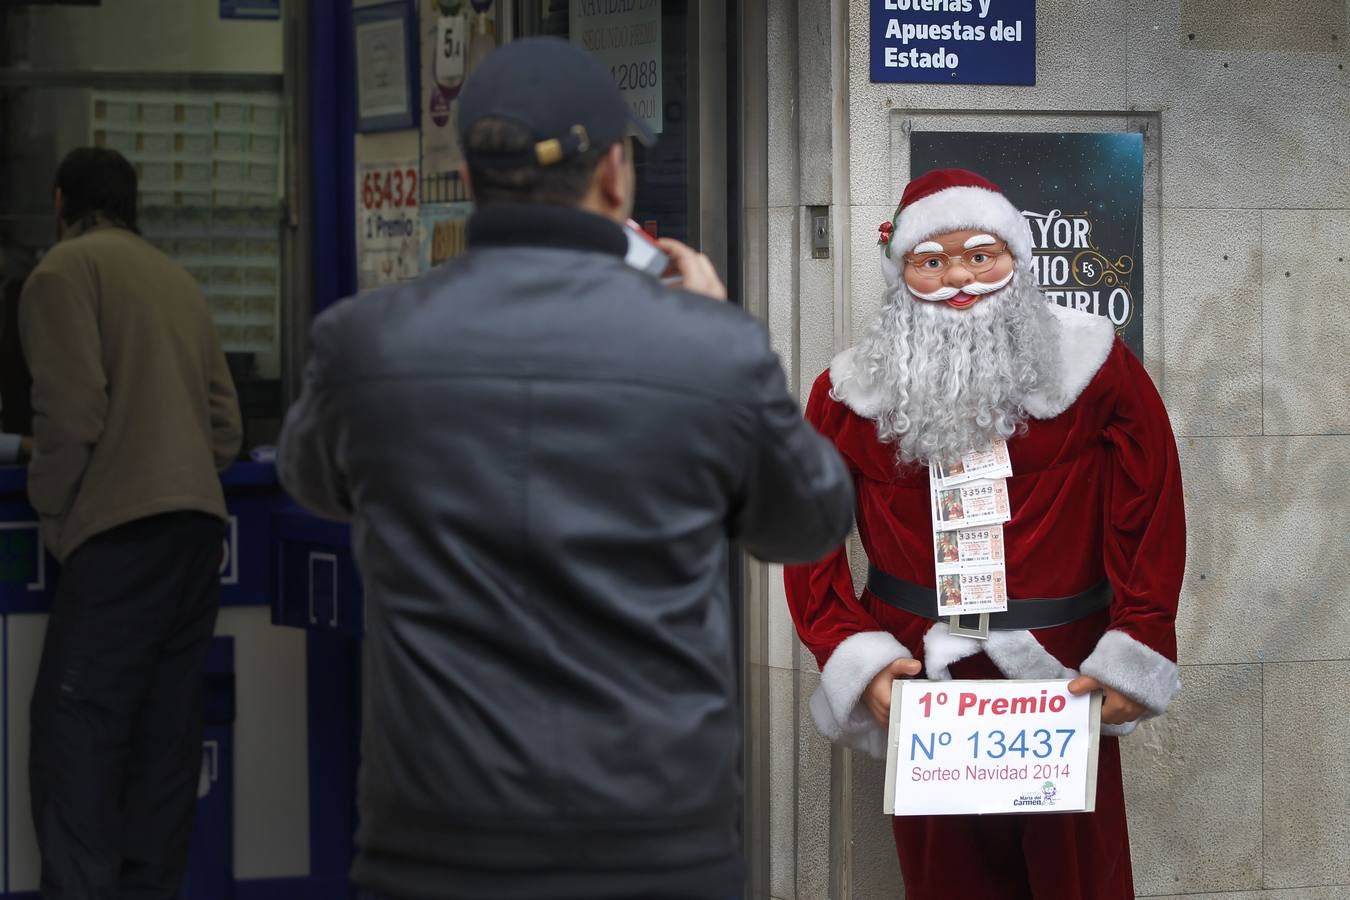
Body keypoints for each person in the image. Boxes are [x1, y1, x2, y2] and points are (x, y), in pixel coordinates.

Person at [277, 37, 854, 900]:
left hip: (434, 838)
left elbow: (313, 482)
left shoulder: (364, 341)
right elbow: (809, 519)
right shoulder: (706, 346)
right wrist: (723, 333)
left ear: (469, 179)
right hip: (656, 834)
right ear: (614, 175)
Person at [784, 168, 1185, 899]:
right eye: (931, 261)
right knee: (949, 881)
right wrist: (852, 653)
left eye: (979, 254)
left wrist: (1140, 642)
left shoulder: (1095, 366)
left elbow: (1149, 506)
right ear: (900, 269)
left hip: (1066, 676)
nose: (958, 278)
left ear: (1016, 257)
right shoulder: (846, 394)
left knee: (1080, 880)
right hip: (927, 682)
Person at [21, 147, 243, 900]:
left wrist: (56, 512)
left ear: (60, 203)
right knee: (164, 750)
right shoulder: (176, 281)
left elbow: (72, 414)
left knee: (76, 746)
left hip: (117, 541)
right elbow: (225, 429)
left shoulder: (61, 273)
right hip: (194, 540)